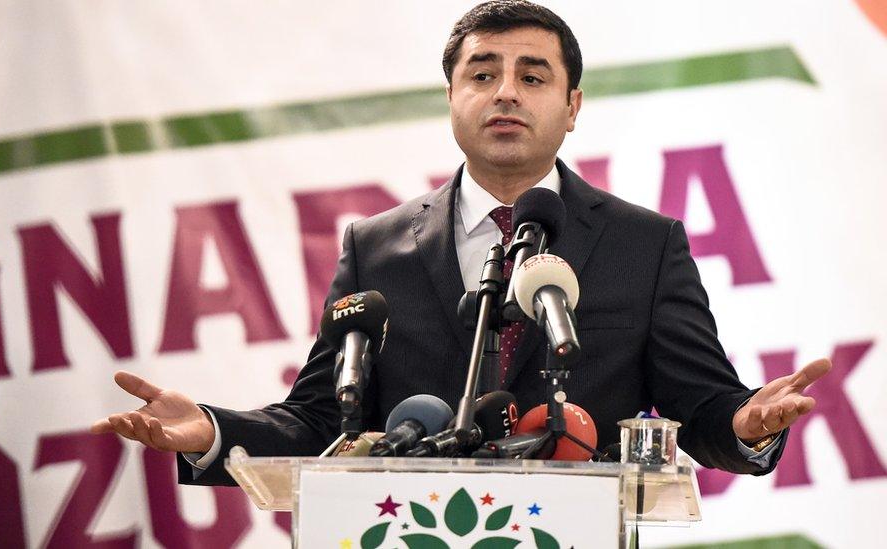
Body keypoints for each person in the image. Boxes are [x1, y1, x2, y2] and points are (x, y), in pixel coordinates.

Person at [92, 0, 830, 486]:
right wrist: (213, 430)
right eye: (483, 73)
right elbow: (321, 418)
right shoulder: (376, 248)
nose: (506, 92)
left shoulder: (646, 244)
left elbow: (701, 405)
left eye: (532, 76)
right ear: (452, 96)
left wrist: (745, 425)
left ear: (571, 107)